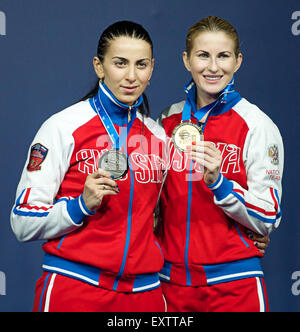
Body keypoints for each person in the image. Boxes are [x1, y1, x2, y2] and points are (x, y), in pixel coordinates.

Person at [10, 21, 168, 312]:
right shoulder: (63, 127)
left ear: (152, 68)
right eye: (120, 63)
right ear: (99, 66)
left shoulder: (158, 136)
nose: (132, 76)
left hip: (144, 294)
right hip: (76, 287)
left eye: (141, 64)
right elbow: (22, 222)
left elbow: (164, 217)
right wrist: (80, 205)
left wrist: (249, 235)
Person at [156, 16, 283, 312]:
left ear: (238, 61)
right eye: (203, 55)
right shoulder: (167, 121)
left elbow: (268, 216)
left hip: (233, 285)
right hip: (169, 284)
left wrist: (220, 183)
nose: (213, 67)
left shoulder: (257, 126)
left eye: (223, 56)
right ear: (186, 60)